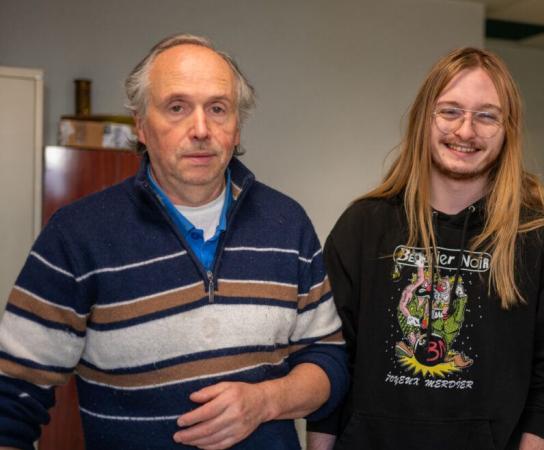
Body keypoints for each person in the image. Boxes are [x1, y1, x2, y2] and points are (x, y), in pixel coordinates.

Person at [0, 34, 347, 450]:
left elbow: (328, 360)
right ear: (142, 126)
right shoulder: (76, 235)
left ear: (237, 128)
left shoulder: (287, 224)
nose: (200, 130)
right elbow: (12, 398)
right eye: (177, 108)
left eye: (218, 109)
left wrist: (266, 401)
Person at [306, 47, 544, 450]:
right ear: (424, 118)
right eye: (450, 111)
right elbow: (330, 354)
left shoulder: (542, 240)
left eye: (487, 115)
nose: (466, 131)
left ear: (508, 129)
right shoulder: (364, 225)